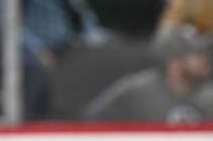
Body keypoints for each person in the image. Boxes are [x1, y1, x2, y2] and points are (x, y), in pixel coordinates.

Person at [83, 26, 213, 122]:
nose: (206, 60)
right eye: (198, 55)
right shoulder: (137, 90)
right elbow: (90, 121)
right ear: (174, 61)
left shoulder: (209, 96)